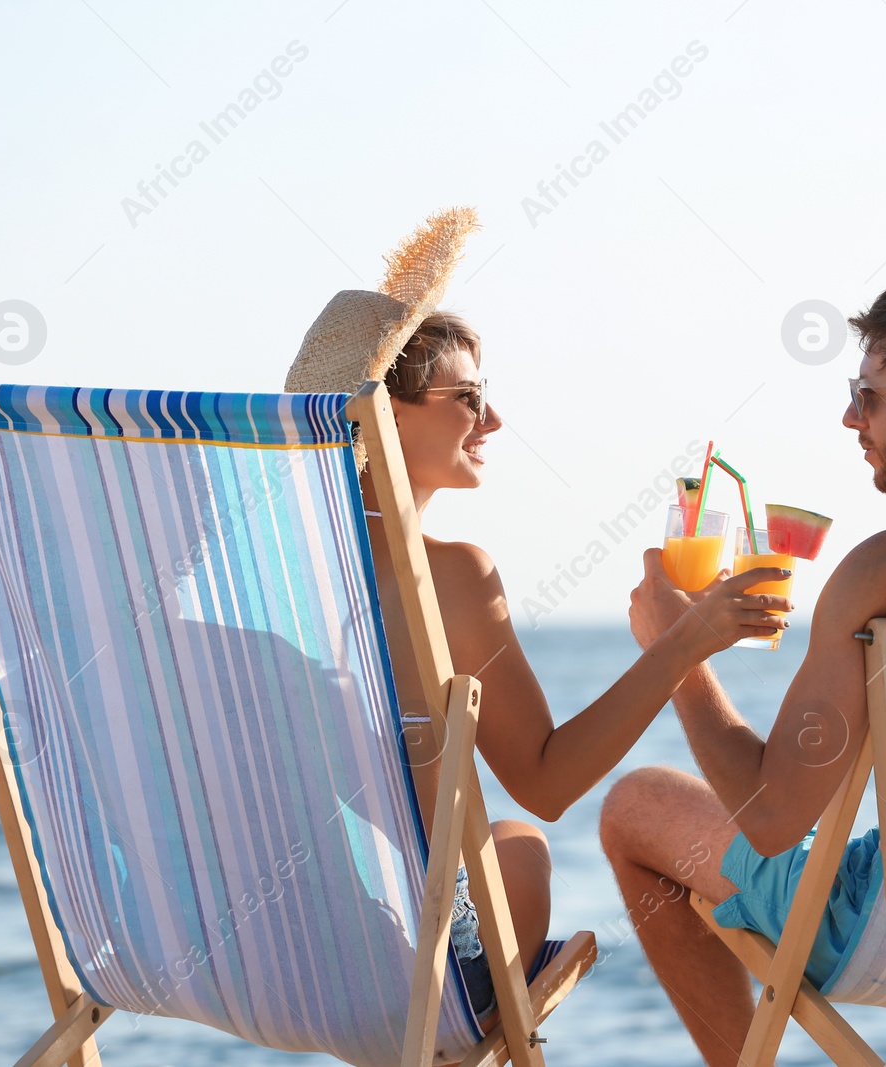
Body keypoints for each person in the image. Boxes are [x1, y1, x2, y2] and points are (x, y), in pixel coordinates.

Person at [284, 207, 792, 1021]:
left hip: (280, 948)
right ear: (386, 409)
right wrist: (683, 641)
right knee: (522, 843)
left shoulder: (273, 573)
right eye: (469, 398)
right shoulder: (450, 577)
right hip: (411, 969)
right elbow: (549, 781)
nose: (491, 422)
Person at [599, 264, 886, 1067]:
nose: (850, 417)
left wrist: (679, 655)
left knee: (635, 806)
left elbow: (772, 823)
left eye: (869, 395)